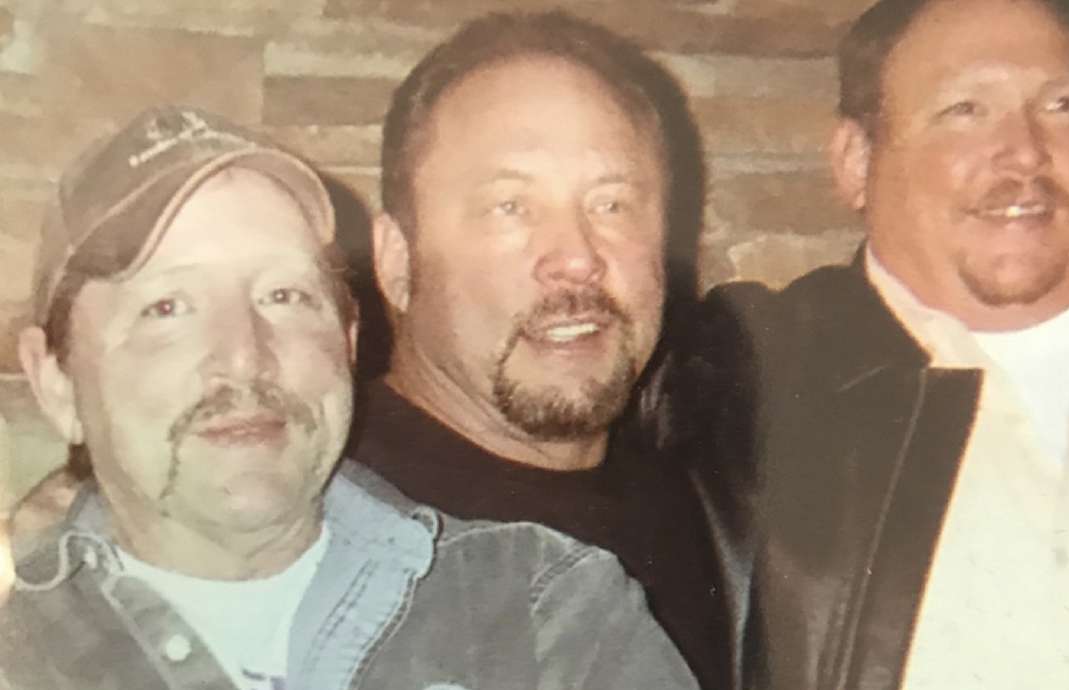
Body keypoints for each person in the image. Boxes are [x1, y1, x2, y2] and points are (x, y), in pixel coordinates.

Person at [0, 105, 697, 690]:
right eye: (167, 308)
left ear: (349, 340)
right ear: (55, 381)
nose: (243, 354)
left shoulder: (546, 610)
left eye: (284, 295)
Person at [674, 0, 1069, 687]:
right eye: (966, 110)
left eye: (1060, 106)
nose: (1025, 150)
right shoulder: (744, 385)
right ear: (855, 162)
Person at [351, 11, 728, 689]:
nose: (577, 257)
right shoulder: (329, 538)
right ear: (398, 262)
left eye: (612, 205)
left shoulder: (713, 514)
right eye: (511, 207)